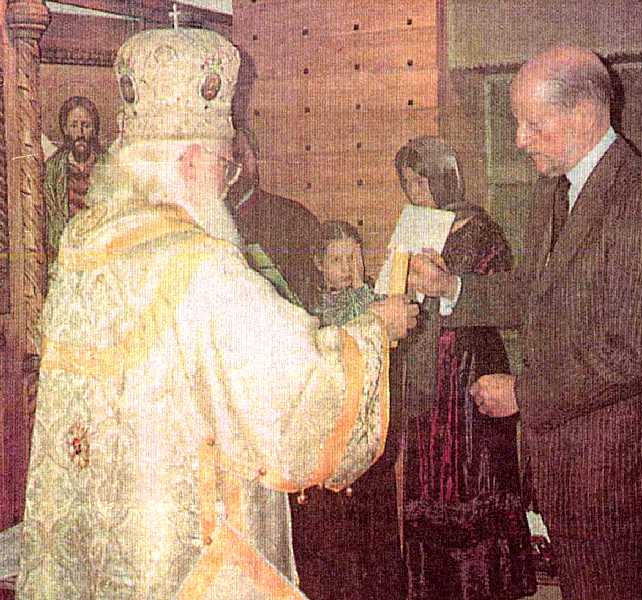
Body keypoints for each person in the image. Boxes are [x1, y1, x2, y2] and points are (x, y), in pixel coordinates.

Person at [16, 27, 417, 599]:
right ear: (191, 158)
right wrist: (376, 330)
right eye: (225, 166)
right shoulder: (198, 265)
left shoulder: (84, 244)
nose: (227, 186)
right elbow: (301, 393)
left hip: (98, 544)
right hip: (188, 550)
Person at [409, 46, 642, 600]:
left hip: (613, 476)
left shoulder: (638, 199)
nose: (518, 139)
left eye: (532, 123)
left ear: (584, 115)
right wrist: (452, 288)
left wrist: (523, 393)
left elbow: (636, 353)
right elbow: (534, 291)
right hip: (573, 467)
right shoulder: (557, 190)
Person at [394, 136, 537, 600]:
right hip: (425, 366)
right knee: (431, 473)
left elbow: (505, 299)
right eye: (408, 183)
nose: (417, 192)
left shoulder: (479, 227)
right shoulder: (415, 227)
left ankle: (480, 584)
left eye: (423, 181)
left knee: (471, 472)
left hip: (468, 363)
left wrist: (444, 284)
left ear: (443, 177)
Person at [289, 220, 405, 600]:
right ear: (319, 264)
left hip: (369, 423)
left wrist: (361, 291)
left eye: (354, 257)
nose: (348, 266)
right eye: (338, 259)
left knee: (372, 528)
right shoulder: (313, 309)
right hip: (333, 430)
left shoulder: (372, 301)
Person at [228, 127, 322, 309]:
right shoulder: (205, 223)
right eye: (226, 160)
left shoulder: (294, 218)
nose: (234, 168)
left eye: (239, 156)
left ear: (256, 157)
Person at [44, 96, 106, 263]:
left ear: (94, 129)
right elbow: (52, 215)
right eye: (74, 125)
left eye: (86, 125)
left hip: (99, 249)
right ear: (65, 129)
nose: (80, 133)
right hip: (65, 249)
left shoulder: (106, 164)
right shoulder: (53, 169)